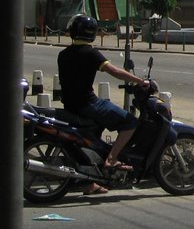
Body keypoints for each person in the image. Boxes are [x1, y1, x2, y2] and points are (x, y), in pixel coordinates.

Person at [58, 14, 151, 190]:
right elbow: (114, 71)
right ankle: (112, 159)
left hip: (71, 105)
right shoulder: (90, 53)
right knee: (130, 121)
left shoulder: (62, 55)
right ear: (91, 33)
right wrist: (140, 81)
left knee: (95, 138)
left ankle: (90, 182)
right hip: (88, 104)